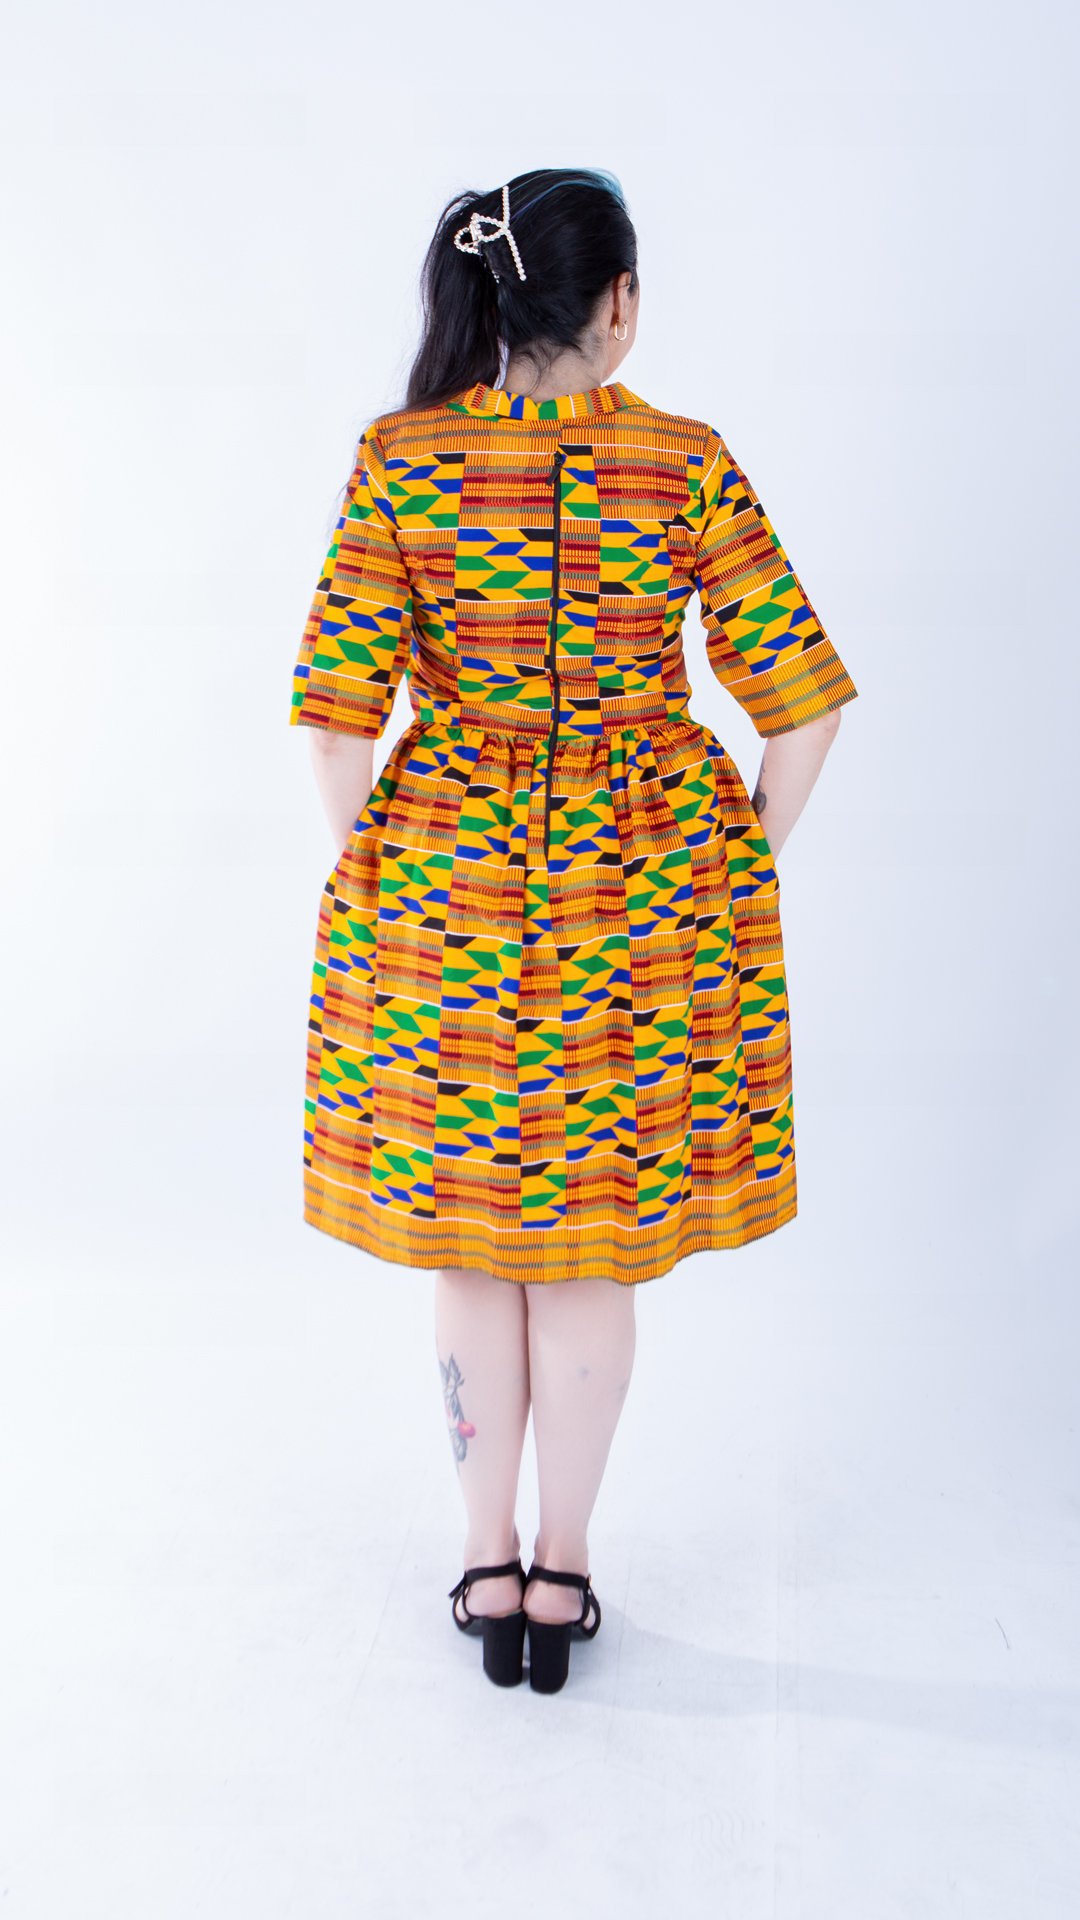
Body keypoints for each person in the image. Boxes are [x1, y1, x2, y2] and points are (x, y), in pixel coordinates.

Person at [288, 168, 859, 1693]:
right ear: (617, 303)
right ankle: (562, 1567)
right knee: (593, 1248)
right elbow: (802, 710)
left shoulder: (401, 461)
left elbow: (334, 724)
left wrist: (390, 883)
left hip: (445, 904)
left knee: (474, 1244)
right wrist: (729, 868)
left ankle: (484, 1563)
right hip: (643, 910)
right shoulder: (684, 464)